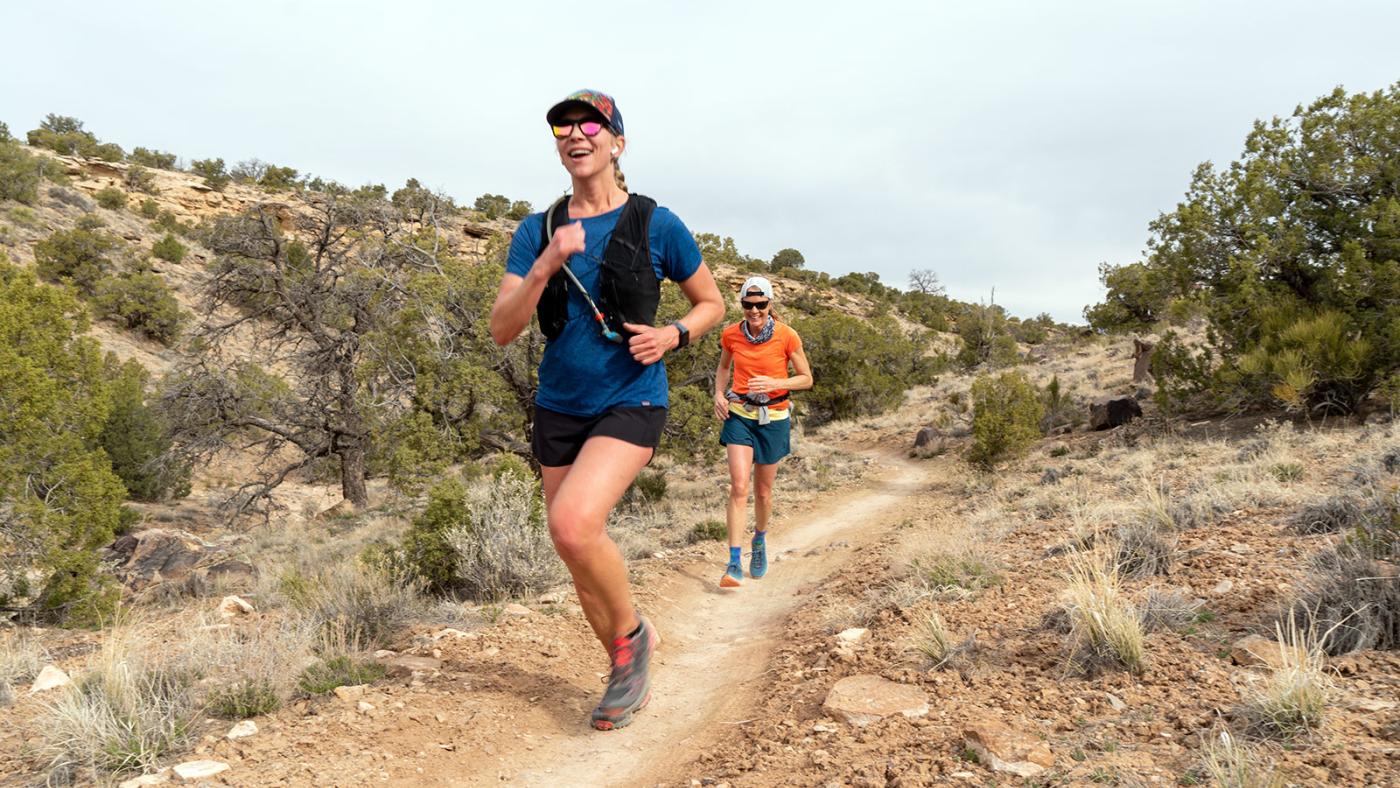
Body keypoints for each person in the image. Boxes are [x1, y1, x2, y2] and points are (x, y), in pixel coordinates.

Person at [490, 90, 723, 731]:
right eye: (563, 127)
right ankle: (624, 666)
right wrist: (545, 264)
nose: (575, 134)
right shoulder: (536, 231)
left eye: (590, 125)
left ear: (617, 143)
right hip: (559, 405)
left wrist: (674, 334)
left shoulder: (657, 224)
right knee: (576, 552)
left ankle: (633, 638)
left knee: (572, 525)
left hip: (631, 397)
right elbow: (503, 328)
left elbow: (711, 303)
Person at [712, 276, 812, 588]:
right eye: (748, 304)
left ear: (769, 304)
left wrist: (776, 383)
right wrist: (718, 394)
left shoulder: (786, 335)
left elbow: (806, 378)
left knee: (763, 492)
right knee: (739, 486)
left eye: (760, 304)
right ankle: (733, 562)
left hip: (774, 417)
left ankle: (759, 540)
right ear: (742, 304)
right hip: (740, 415)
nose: (754, 310)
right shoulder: (731, 334)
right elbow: (724, 367)